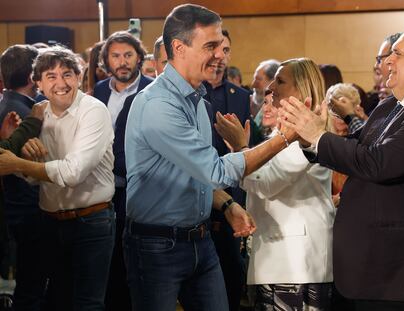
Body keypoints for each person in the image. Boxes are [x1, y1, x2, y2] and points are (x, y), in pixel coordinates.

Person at [123, 4, 296, 311]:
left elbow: (195, 174)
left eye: (220, 46)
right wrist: (286, 137)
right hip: (156, 246)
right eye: (211, 46)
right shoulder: (158, 105)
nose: (220, 55)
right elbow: (215, 171)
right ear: (179, 47)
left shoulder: (196, 99)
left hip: (201, 242)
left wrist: (226, 204)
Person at [279, 25, 404, 311]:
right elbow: (355, 145)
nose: (387, 61)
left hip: (392, 273)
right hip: (361, 268)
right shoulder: (389, 106)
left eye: (397, 54)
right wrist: (308, 137)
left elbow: (378, 162)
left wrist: (318, 135)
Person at [0, 46, 116, 311]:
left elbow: (73, 173)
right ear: (37, 83)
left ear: (78, 76)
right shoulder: (41, 115)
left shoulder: (93, 111)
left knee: (87, 304)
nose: (61, 83)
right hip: (50, 222)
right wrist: (25, 162)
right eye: (50, 76)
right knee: (58, 301)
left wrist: (20, 163)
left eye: (67, 74)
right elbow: (34, 179)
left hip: (92, 221)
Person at [225, 58, 335, 311]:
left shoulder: (306, 136)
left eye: (280, 81)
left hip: (294, 265)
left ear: (302, 89)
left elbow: (265, 183)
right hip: (280, 262)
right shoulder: (283, 134)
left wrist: (240, 148)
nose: (270, 87)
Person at [93, 30, 152, 311]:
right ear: (106, 61)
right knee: (109, 260)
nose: (123, 61)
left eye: (128, 54)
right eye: (115, 56)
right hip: (104, 190)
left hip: (139, 187)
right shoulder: (100, 90)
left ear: (139, 57)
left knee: (136, 262)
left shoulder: (152, 91)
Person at [203, 29, 250, 311]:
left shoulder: (241, 96)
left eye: (227, 50)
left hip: (230, 193)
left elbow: (245, 146)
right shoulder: (192, 92)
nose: (220, 57)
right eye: (215, 49)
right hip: (198, 192)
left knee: (231, 274)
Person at [0, 44, 50, 311]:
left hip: (16, 213)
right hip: (25, 213)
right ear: (34, 77)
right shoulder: (25, 112)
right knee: (30, 288)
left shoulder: (9, 104)